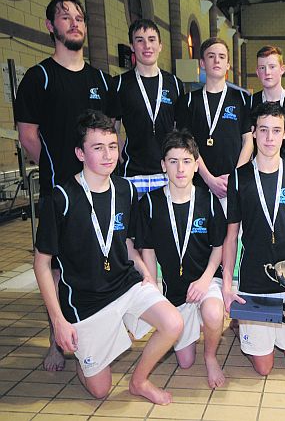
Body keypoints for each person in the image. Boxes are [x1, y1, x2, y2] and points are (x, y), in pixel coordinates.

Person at [32, 111, 183, 404]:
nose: (107, 154)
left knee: (173, 322)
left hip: (124, 284)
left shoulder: (125, 190)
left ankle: (139, 381)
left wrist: (146, 274)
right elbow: (42, 263)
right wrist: (59, 321)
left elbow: (125, 241)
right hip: (86, 301)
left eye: (112, 146)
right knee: (100, 390)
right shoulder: (61, 198)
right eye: (97, 147)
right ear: (80, 152)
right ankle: (82, 355)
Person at [14, 0, 121, 372]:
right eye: (65, 17)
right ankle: (56, 341)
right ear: (50, 27)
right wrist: (61, 173)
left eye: (79, 17)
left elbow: (112, 132)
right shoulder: (38, 78)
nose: (74, 23)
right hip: (61, 192)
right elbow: (28, 137)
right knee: (56, 267)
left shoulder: (99, 80)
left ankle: (100, 334)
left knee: (97, 261)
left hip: (99, 193)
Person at [222, 102, 285, 376]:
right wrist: (228, 286)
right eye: (263, 130)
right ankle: (246, 327)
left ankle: (255, 329)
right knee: (264, 368)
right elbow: (231, 236)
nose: (269, 138)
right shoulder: (239, 178)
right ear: (254, 133)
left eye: (276, 130)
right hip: (254, 281)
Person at [135, 130, 227, 388]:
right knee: (185, 361)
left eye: (187, 161)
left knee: (212, 311)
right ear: (163, 165)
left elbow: (218, 248)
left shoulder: (208, 201)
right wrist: (153, 287)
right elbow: (148, 250)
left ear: (196, 166)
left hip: (204, 280)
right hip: (174, 290)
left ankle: (210, 356)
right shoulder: (151, 204)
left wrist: (205, 280)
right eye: (173, 161)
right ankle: (191, 324)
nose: (180, 169)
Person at [176, 37, 253, 207]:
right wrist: (209, 179)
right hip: (199, 182)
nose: (216, 60)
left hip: (233, 183)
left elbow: (248, 141)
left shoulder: (241, 98)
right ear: (202, 63)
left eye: (222, 56)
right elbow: (187, 144)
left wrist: (235, 177)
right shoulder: (188, 101)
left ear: (228, 65)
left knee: (234, 233)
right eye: (211, 56)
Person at [115, 18, 183, 197]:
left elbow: (181, 130)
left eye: (152, 40)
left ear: (160, 45)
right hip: (133, 175)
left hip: (168, 174)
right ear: (132, 46)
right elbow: (111, 130)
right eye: (140, 40)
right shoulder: (119, 84)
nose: (147, 46)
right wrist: (123, 158)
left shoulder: (175, 84)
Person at [250, 45, 285, 165]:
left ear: (282, 69)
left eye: (272, 67)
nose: (267, 72)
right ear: (257, 72)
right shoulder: (251, 102)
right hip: (259, 174)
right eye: (262, 68)